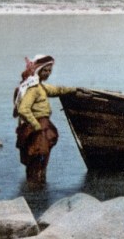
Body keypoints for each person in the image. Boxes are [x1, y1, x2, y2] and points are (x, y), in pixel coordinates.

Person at [13, 54, 75, 184]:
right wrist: (36, 126)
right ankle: (36, 189)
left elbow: (56, 90)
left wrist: (73, 90)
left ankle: (38, 188)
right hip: (37, 128)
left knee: (41, 158)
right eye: (45, 70)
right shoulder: (34, 89)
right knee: (37, 157)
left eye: (49, 70)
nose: (47, 73)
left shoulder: (40, 86)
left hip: (42, 127)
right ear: (38, 70)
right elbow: (23, 109)